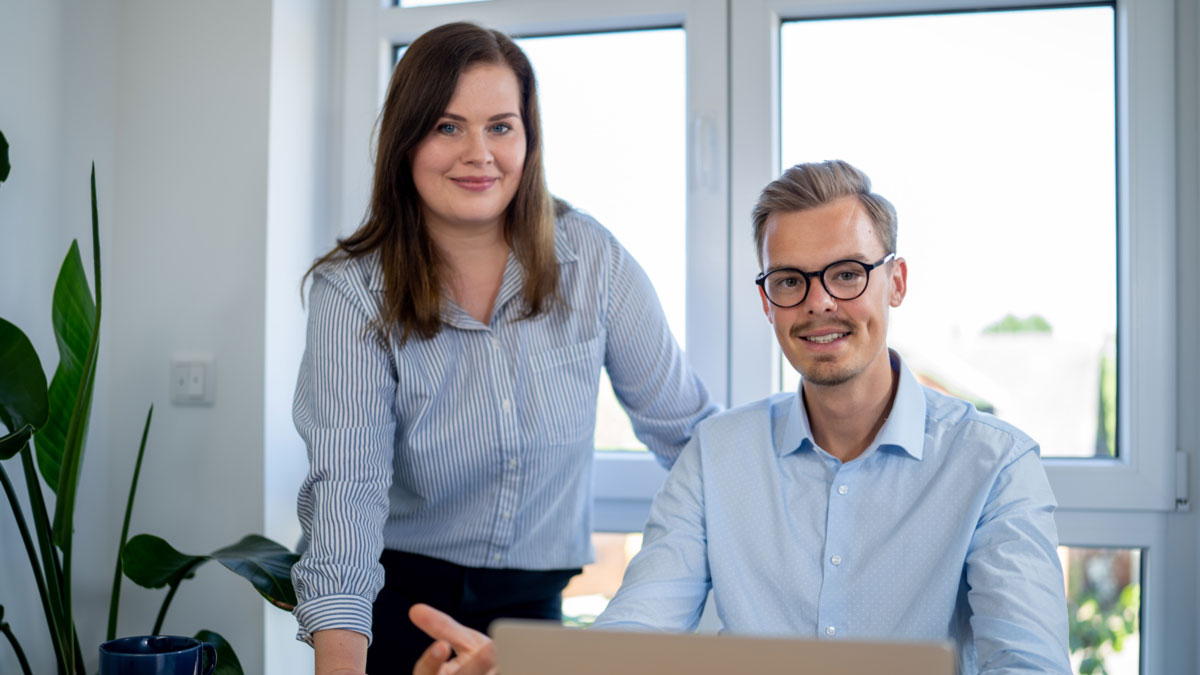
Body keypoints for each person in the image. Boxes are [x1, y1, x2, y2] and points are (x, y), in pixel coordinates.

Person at [411, 160, 1072, 675]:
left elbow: (1028, 662)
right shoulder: (717, 455)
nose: (819, 304)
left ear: (895, 281)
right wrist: (531, 665)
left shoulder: (995, 465)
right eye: (789, 280)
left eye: (846, 273)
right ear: (767, 300)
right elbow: (642, 623)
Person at [290, 22, 718, 675]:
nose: (478, 153)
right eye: (446, 126)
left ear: (529, 140)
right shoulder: (352, 292)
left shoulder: (592, 260)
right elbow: (347, 493)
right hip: (403, 612)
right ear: (406, 139)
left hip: (533, 614)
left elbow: (688, 435)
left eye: (500, 126)